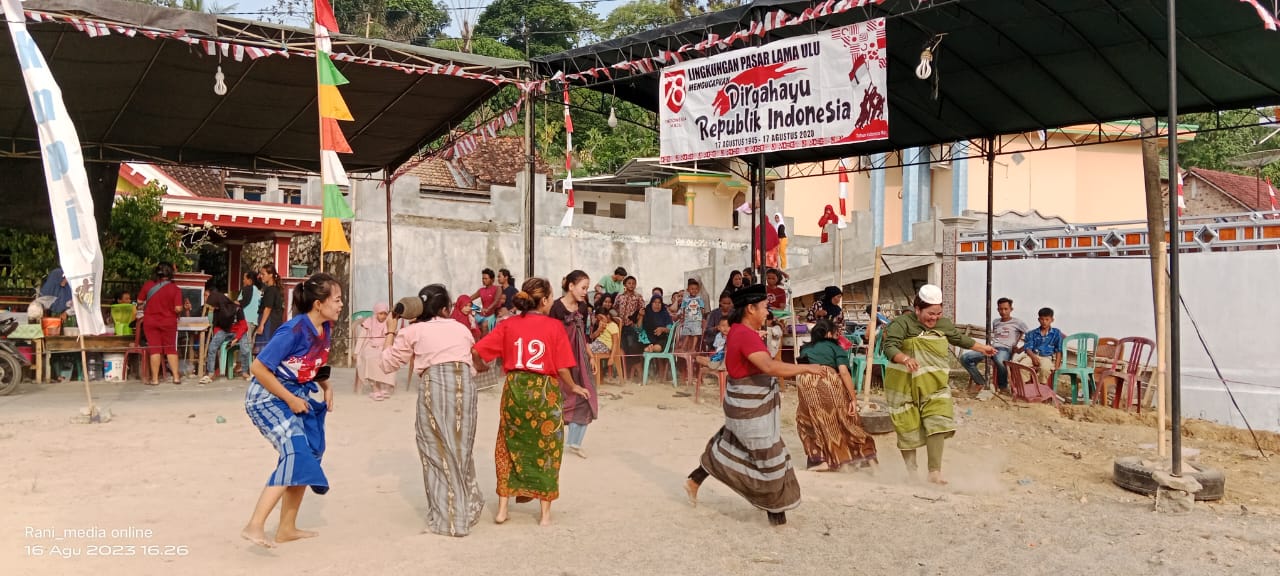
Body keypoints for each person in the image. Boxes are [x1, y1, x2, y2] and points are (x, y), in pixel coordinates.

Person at [683, 284, 824, 527]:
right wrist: (807, 368)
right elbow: (769, 367)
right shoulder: (744, 335)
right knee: (768, 460)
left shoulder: (740, 331)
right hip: (750, 408)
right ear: (750, 308)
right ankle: (777, 518)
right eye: (764, 308)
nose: (767, 313)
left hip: (745, 405)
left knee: (728, 446)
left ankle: (694, 481)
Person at [473, 277, 589, 527]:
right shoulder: (554, 327)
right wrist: (574, 386)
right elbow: (561, 368)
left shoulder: (508, 325)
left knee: (507, 446)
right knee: (547, 449)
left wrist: (481, 368)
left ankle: (503, 510)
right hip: (544, 392)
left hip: (515, 390)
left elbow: (478, 351)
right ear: (545, 300)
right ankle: (545, 514)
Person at [241, 273, 342, 548]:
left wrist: (327, 385)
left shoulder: (325, 329)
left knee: (309, 453)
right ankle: (254, 525)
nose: (341, 304)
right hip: (267, 399)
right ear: (318, 304)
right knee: (295, 451)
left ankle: (286, 528)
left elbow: (311, 364)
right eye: (337, 299)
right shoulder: (294, 329)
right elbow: (258, 368)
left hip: (295, 396)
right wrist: (290, 398)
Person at [379, 284, 486, 537]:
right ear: (446, 309)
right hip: (466, 387)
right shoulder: (461, 328)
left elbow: (386, 364)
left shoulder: (414, 331)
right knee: (461, 448)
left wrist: (391, 332)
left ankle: (450, 519)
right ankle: (469, 507)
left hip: (435, 385)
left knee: (436, 450)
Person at [882, 285, 997, 485]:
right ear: (917, 309)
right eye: (929, 314)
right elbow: (889, 346)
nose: (934, 318)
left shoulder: (943, 324)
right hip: (903, 384)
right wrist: (905, 358)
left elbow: (958, 338)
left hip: (934, 383)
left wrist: (983, 348)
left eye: (938, 313)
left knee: (938, 421)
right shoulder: (901, 324)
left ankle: (934, 472)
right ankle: (911, 473)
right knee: (907, 427)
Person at [796, 320, 878, 471]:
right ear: (828, 334)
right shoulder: (835, 347)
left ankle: (819, 460)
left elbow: (803, 366)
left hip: (806, 382)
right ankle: (866, 457)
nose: (838, 336)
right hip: (828, 380)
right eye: (836, 333)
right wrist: (853, 398)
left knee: (808, 421)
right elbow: (844, 373)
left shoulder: (805, 348)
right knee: (846, 420)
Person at [550, 271, 599, 459]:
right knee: (560, 398)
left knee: (586, 396)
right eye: (583, 287)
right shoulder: (555, 307)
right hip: (560, 359)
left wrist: (591, 356)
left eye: (587, 288)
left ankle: (575, 443)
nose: (586, 292)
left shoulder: (584, 308)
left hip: (580, 359)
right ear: (571, 286)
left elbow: (584, 335)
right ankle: (554, 442)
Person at [960, 297, 1027, 390]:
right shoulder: (996, 322)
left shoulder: (1018, 322)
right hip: (991, 348)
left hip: (1005, 349)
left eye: (1006, 309)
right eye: (1000, 309)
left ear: (1011, 309)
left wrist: (1019, 350)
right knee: (965, 358)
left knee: (1000, 360)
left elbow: (1030, 337)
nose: (1003, 311)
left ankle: (1002, 386)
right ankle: (981, 382)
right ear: (997, 309)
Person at [138, 262, 183, 385]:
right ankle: (176, 377)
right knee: (170, 349)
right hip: (169, 322)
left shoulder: (148, 285)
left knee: (155, 349)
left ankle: (155, 379)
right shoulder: (175, 289)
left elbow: (139, 301)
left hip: (150, 322)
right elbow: (178, 308)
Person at [201, 278, 241, 385]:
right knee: (212, 347)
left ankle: (245, 371)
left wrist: (237, 337)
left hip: (237, 332)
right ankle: (210, 373)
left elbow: (243, 325)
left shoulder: (236, 308)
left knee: (245, 346)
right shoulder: (218, 310)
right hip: (223, 331)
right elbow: (216, 325)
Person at [356, 302, 397, 400]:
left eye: (385, 314)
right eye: (380, 313)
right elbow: (361, 337)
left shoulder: (388, 322)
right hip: (370, 347)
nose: (383, 316)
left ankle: (385, 386)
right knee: (370, 358)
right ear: (376, 313)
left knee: (389, 358)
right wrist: (356, 351)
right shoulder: (369, 322)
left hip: (384, 346)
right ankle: (375, 388)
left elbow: (391, 337)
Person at [1021, 307, 1065, 392]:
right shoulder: (1032, 333)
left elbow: (1059, 350)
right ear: (1038, 319)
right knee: (1022, 366)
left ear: (1052, 320)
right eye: (1042, 319)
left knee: (1045, 368)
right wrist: (1033, 357)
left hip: (1046, 357)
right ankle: (1025, 388)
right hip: (1032, 355)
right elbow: (1028, 348)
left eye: (1047, 319)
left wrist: (1057, 366)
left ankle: (1041, 388)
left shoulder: (1056, 333)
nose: (1044, 322)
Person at [237, 272, 261, 379]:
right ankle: (246, 367)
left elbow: (241, 303)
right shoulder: (258, 291)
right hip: (255, 321)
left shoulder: (246, 289)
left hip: (246, 320)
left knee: (245, 345)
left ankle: (245, 370)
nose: (243, 281)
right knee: (250, 344)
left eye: (244, 279)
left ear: (250, 280)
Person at [255, 265, 285, 352]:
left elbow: (268, 308)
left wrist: (261, 325)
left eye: (263, 274)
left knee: (264, 349)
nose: (261, 276)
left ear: (270, 275)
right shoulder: (273, 289)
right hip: (271, 321)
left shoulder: (271, 290)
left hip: (268, 322)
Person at [615, 275, 645, 356]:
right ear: (625, 284)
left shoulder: (638, 297)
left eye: (633, 283)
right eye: (629, 283)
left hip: (631, 325)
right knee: (622, 346)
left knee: (631, 345)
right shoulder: (620, 296)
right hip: (620, 326)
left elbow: (642, 310)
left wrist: (636, 320)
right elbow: (615, 308)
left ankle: (632, 366)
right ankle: (625, 366)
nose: (631, 285)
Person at [677, 278, 707, 356]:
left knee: (695, 334)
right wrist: (683, 317)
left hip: (697, 320)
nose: (694, 290)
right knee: (687, 334)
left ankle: (693, 348)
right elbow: (683, 309)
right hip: (688, 320)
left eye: (696, 289)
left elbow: (702, 308)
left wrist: (701, 317)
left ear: (698, 290)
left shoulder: (699, 299)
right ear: (688, 290)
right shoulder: (685, 300)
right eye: (692, 289)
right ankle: (683, 348)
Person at [470, 268, 501, 333]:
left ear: (492, 280)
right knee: (469, 323)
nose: (483, 280)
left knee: (484, 325)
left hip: (492, 315)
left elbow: (496, 301)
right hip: (481, 314)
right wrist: (479, 309)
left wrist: (488, 309)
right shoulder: (481, 290)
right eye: (483, 278)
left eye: (486, 279)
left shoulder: (498, 288)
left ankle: (483, 342)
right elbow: (469, 299)